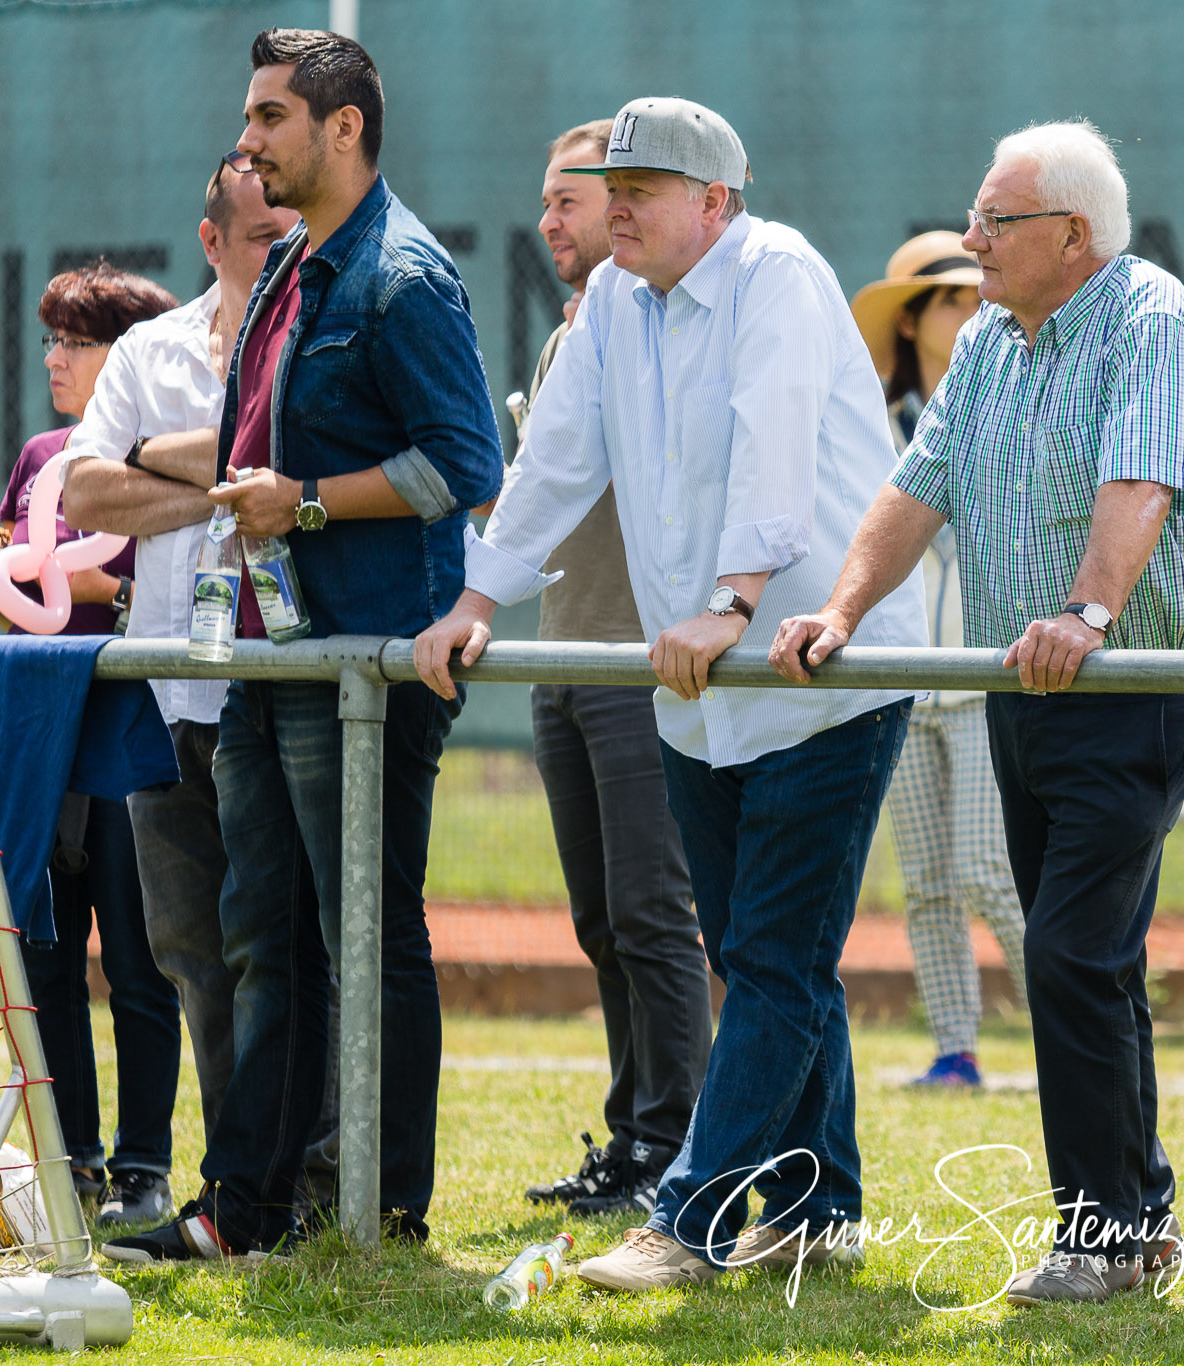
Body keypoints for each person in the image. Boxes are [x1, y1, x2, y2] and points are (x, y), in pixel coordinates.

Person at [414, 95, 923, 1290]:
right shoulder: (610, 308)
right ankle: (821, 1208)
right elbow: (555, 463)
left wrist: (735, 597)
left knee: (772, 956)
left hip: (820, 674)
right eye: (616, 182)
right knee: (766, 953)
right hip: (695, 680)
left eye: (647, 186)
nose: (621, 203)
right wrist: (475, 600)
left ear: (718, 202)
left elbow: (775, 440)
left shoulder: (777, 275)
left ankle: (689, 1219)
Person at [772, 120, 1184, 1306]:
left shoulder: (1146, 317)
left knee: (1071, 953)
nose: (971, 239)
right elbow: (914, 487)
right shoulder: (989, 339)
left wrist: (1086, 610)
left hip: (1129, 688)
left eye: (995, 222)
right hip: (1025, 698)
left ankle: (1100, 1233)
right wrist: (837, 609)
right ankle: (1134, 1225)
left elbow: (1137, 477)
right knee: (1094, 959)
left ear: (1071, 235)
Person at [102, 27, 503, 1264]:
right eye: (249, 117)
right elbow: (242, 455)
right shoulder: (286, 269)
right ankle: (247, 1208)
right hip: (269, 659)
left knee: (364, 934)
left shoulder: (406, 275)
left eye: (271, 117)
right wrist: (176, 478)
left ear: (343, 128)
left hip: (368, 668)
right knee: (259, 933)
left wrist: (310, 502)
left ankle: (382, 1207)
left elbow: (463, 466)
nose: (249, 143)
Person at [61, 155, 301, 1191]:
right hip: (167, 692)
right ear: (211, 242)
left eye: (291, 238)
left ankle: (304, 1175)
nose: (281, 254)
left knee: (282, 950)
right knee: (189, 951)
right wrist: (222, 483)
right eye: (260, 240)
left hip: (277, 689)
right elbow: (82, 492)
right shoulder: (151, 349)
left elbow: (303, 463)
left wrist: (161, 454)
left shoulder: (314, 342)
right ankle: (232, 1181)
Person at [0, 261, 183, 1227]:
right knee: (43, 955)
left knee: (137, 956)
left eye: (76, 341)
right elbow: (18, 586)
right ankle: (70, 1159)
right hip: (38, 735)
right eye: (51, 338)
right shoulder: (40, 453)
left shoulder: (149, 461)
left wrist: (91, 593)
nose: (55, 357)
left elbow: (132, 591)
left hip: (123, 728)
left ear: (130, 357)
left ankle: (144, 1166)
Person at [509, 118, 712, 1218]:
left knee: (648, 910)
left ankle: (671, 1149)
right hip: (562, 653)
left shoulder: (659, 323)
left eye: (571, 200)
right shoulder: (572, 334)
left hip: (638, 661)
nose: (553, 221)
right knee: (600, 919)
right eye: (547, 202)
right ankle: (633, 1135)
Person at [848, 231, 1026, 1089]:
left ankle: (1067, 1022)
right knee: (925, 881)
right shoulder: (866, 425)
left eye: (975, 294)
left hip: (989, 673)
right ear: (913, 318)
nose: (972, 308)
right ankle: (955, 1050)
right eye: (951, 299)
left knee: (991, 868)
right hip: (901, 679)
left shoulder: (1009, 401)